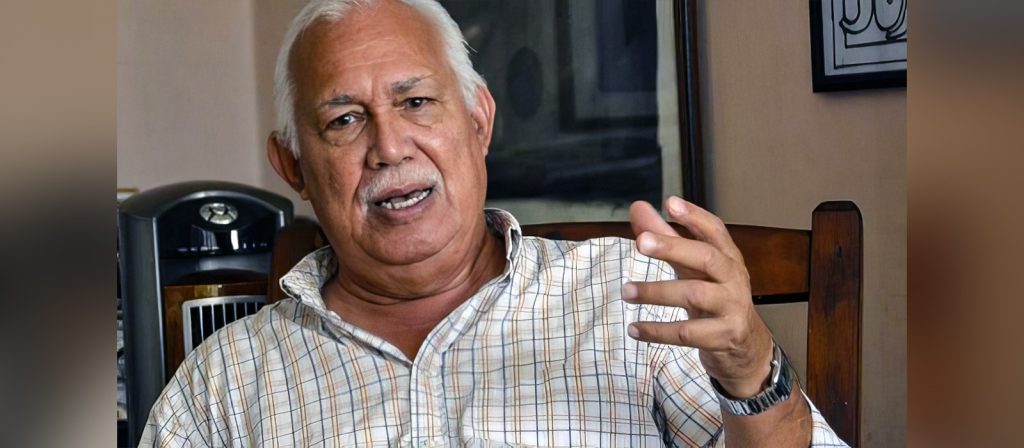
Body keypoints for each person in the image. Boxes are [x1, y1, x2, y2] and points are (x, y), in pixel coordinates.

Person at [141, 0, 847, 446]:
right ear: (292, 164)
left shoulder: (634, 297)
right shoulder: (223, 381)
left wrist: (751, 372)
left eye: (416, 102)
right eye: (345, 119)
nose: (389, 147)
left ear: (479, 120)